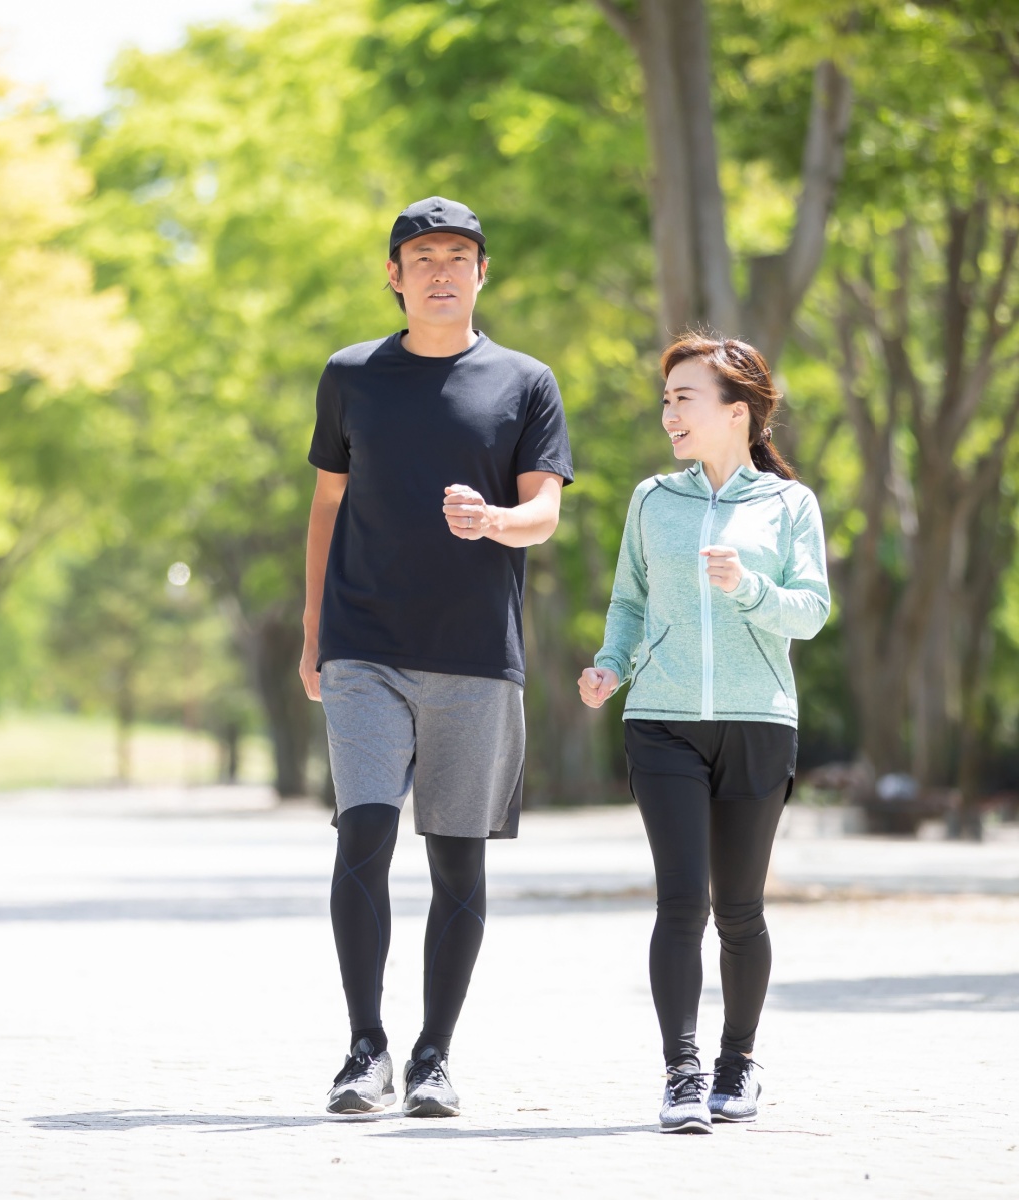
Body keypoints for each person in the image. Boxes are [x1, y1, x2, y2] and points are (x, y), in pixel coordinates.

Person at [301, 197, 574, 1118]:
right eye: (423, 256)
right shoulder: (351, 377)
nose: (442, 270)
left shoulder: (525, 382)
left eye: (460, 255)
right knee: (365, 834)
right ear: (395, 274)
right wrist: (314, 633)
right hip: (364, 646)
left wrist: (495, 521)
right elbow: (327, 508)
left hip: (473, 653)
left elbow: (545, 510)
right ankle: (363, 1049)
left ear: (482, 273)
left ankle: (432, 1056)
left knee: (458, 862)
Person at [578, 334, 830, 1134]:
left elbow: (812, 611)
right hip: (662, 722)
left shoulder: (790, 506)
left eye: (684, 398)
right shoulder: (654, 499)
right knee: (680, 901)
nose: (669, 413)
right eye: (666, 399)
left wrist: (750, 588)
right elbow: (628, 601)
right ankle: (682, 1075)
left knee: (741, 911)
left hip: (759, 722)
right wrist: (609, 665)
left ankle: (737, 1064)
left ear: (738, 413)